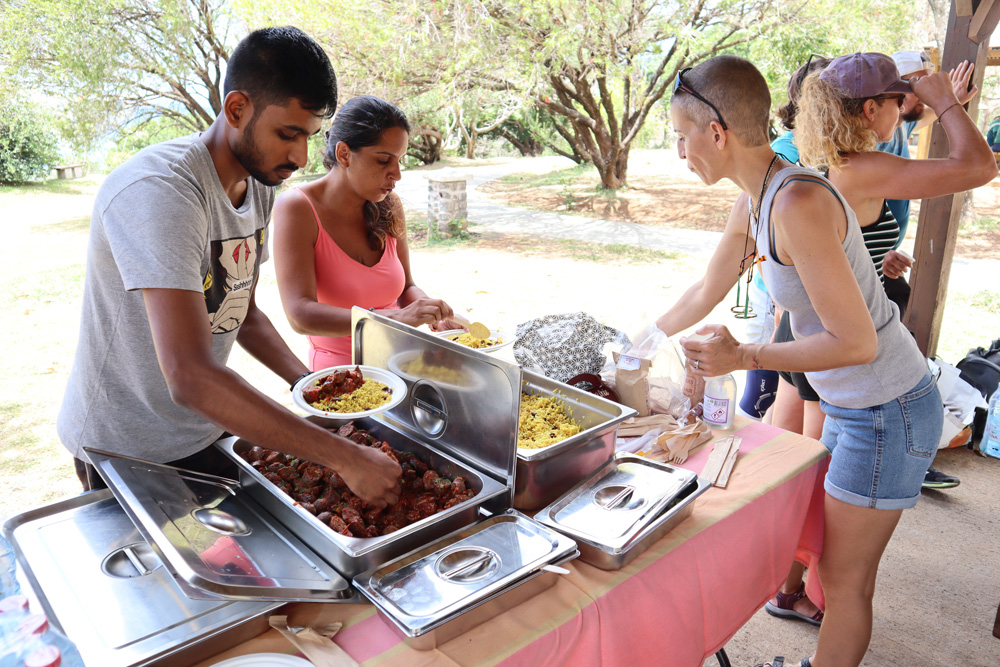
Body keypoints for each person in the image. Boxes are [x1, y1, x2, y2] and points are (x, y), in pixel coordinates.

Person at [656, 53, 982, 667]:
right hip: (851, 401)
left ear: (717, 134)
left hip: (887, 410)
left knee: (845, 579)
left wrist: (743, 354)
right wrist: (642, 338)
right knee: (821, 551)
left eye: (681, 136)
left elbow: (857, 342)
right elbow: (708, 288)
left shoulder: (795, 203)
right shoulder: (759, 194)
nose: (679, 151)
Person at [56, 27, 402, 509]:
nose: (301, 158)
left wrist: (313, 389)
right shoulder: (163, 191)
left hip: (207, 426)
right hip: (127, 448)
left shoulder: (258, 183)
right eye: (287, 134)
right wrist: (344, 456)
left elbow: (241, 309)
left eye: (308, 137)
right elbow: (191, 376)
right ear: (237, 108)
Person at [272, 95, 461, 371]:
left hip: (402, 366)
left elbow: (407, 287)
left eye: (399, 160)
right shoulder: (298, 208)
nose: (396, 174)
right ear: (344, 154)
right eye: (384, 160)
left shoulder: (390, 205)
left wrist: (432, 312)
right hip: (341, 379)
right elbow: (300, 315)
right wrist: (396, 318)